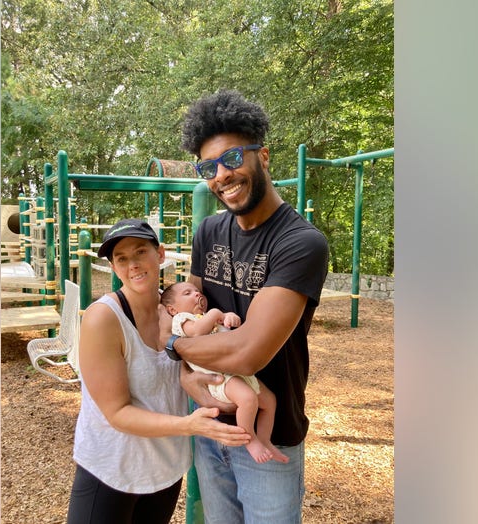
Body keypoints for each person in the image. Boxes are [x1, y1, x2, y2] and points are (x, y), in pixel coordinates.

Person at [162, 89, 329, 523]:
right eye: (208, 167)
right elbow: (190, 311)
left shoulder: (300, 243)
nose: (221, 175)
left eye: (232, 158)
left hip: (269, 430)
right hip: (211, 421)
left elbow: (247, 352)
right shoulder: (208, 232)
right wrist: (188, 380)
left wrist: (175, 351)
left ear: (263, 156)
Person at [67, 218, 250, 524]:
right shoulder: (104, 319)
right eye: (121, 259)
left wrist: (193, 381)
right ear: (114, 268)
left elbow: (184, 367)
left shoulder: (178, 313)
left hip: (164, 470)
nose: (133, 265)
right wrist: (190, 425)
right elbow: (118, 413)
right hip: (112, 469)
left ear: (160, 255)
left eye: (140, 252)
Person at [160, 281, 289, 464]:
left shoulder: (205, 317)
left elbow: (224, 332)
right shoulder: (182, 320)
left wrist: (227, 317)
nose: (196, 294)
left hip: (236, 371)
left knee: (269, 401)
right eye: (187, 293)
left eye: (197, 291)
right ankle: (250, 439)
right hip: (220, 378)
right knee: (248, 399)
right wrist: (215, 313)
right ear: (172, 309)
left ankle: (265, 438)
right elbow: (197, 333)